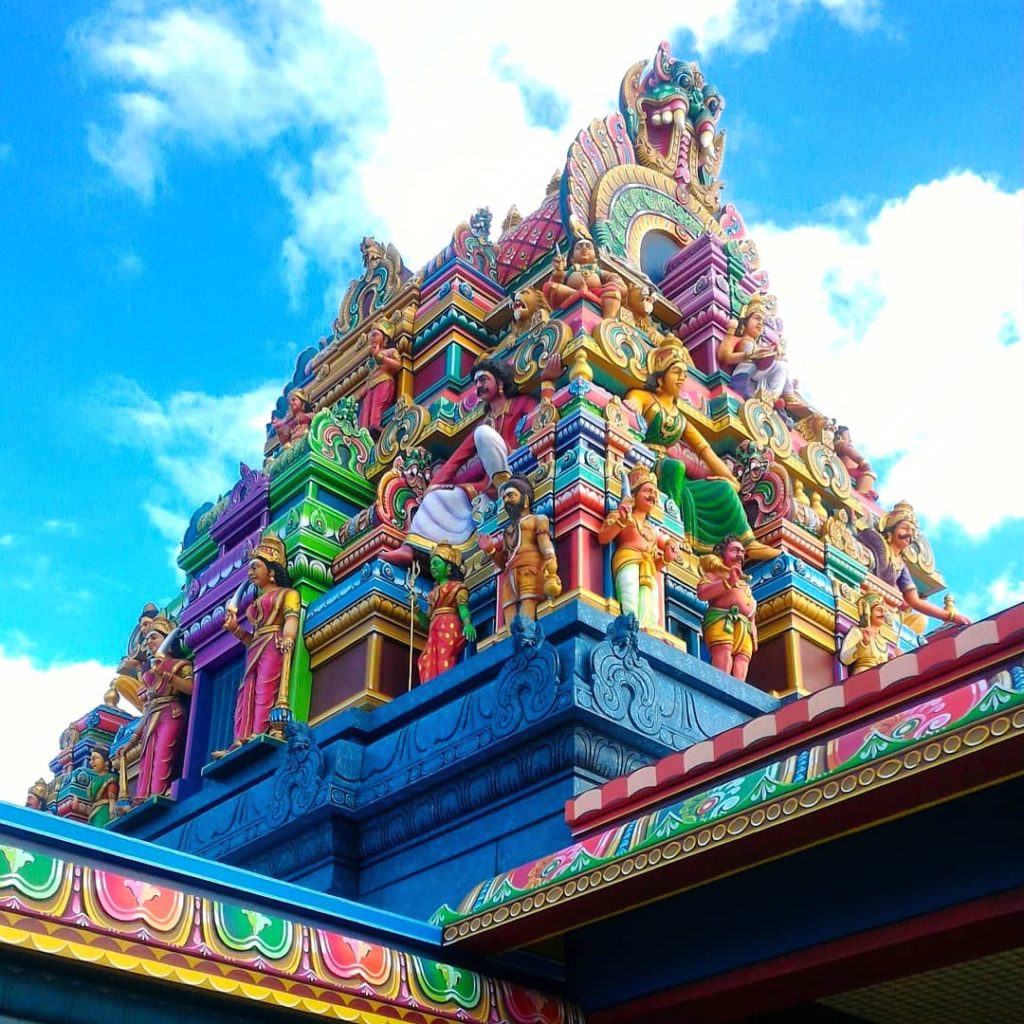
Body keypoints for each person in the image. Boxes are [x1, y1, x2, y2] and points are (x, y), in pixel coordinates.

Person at [624, 338, 779, 560]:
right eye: (676, 372)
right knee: (675, 467)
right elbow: (632, 407)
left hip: (673, 475)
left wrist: (731, 481)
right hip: (648, 465)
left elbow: (706, 452)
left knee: (722, 491)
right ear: (660, 376)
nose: (681, 379)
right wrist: (632, 407)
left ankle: (748, 543)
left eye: (684, 374)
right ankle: (673, 530)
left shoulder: (681, 418)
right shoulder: (644, 397)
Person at [382, 359, 537, 566]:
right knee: (435, 498)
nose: (479, 386)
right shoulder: (484, 422)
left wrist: (545, 383)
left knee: (484, 434)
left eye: (483, 379)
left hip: (519, 469)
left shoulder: (521, 404)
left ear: (500, 382)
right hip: (487, 489)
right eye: (476, 382)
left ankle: (506, 492)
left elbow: (540, 423)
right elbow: (457, 459)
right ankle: (411, 548)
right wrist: (435, 486)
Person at [217, 532, 301, 755]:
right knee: (246, 694)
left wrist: (288, 637)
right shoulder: (254, 604)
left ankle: (259, 731)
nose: (251, 572)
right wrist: (236, 629)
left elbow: (291, 618)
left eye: (256, 567)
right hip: (257, 647)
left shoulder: (288, 594)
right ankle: (240, 739)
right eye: (250, 568)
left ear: (272, 572)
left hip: (274, 643)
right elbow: (251, 639)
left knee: (265, 688)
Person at [858, 502, 970, 629]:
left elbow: (914, 601)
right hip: (865, 601)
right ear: (891, 529)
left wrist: (949, 616)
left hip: (888, 610)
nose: (909, 534)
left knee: (920, 620)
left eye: (912, 531)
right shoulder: (876, 546)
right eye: (904, 528)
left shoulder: (901, 565)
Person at [119, 616, 194, 800]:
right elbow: (147, 709)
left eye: (154, 637)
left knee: (163, 754)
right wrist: (130, 743)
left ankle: (159, 792)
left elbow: (191, 689)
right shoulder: (148, 675)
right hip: (152, 715)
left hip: (171, 712)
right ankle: (144, 797)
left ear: (167, 639)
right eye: (147, 639)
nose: (149, 642)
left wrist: (169, 676)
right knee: (147, 758)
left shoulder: (181, 665)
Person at [597, 465, 680, 631]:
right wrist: (621, 521)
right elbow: (603, 537)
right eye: (648, 491)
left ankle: (647, 629)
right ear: (634, 496)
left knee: (651, 602)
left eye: (655, 494)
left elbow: (655, 564)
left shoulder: (651, 530)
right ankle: (630, 624)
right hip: (627, 560)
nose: (652, 496)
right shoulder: (621, 515)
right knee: (630, 591)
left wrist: (665, 559)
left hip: (647, 568)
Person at [479, 476, 562, 622]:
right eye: (504, 498)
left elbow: (544, 540)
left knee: (526, 616)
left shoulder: (537, 519)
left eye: (511, 495)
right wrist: (491, 550)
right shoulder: (508, 531)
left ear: (525, 500)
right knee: (510, 616)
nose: (506, 501)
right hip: (510, 575)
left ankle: (527, 638)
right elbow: (504, 561)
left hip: (529, 570)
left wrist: (550, 557)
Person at [696, 536, 757, 681]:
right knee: (723, 652)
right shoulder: (714, 574)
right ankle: (721, 686)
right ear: (722, 553)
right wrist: (727, 582)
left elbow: (751, 609)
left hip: (745, 626)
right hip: (722, 619)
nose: (740, 555)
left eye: (742, 552)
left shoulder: (744, 583)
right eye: (735, 550)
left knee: (742, 658)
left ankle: (738, 693)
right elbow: (702, 593)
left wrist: (753, 630)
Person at [417, 543, 476, 683]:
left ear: (448, 567)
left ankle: (444, 685)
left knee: (445, 656)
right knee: (426, 659)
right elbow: (426, 622)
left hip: (449, 626)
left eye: (436, 563)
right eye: (431, 565)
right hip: (434, 630)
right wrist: (417, 610)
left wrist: (468, 624)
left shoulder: (457, 588)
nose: (433, 567)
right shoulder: (432, 594)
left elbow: (463, 609)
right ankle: (431, 688)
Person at [542, 238, 626, 319]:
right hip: (570, 294)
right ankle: (580, 294)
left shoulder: (598, 271)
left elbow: (616, 281)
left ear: (596, 258)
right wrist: (558, 272)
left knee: (613, 291)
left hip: (596, 294)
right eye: (579, 247)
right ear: (572, 259)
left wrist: (612, 284)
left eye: (588, 246)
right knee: (549, 287)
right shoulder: (568, 272)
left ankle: (608, 321)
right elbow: (555, 284)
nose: (584, 248)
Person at [358, 321, 401, 436]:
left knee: (377, 407)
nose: (371, 338)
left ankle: (375, 426)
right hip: (370, 386)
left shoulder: (390, 352)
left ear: (385, 338)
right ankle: (364, 431)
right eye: (370, 336)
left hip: (383, 382)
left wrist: (381, 358)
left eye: (375, 334)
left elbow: (397, 365)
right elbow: (370, 375)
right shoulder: (371, 360)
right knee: (365, 412)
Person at [839, 593, 892, 675]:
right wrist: (863, 644)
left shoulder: (883, 642)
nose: (883, 614)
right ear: (868, 612)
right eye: (878, 610)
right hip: (862, 678)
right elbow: (844, 658)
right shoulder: (858, 632)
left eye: (885, 611)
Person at [834, 425, 878, 498]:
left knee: (869, 477)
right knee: (869, 475)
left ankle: (864, 494)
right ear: (839, 435)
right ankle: (860, 497)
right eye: (848, 435)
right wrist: (863, 462)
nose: (851, 440)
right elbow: (848, 449)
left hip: (855, 473)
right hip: (848, 472)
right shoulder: (840, 443)